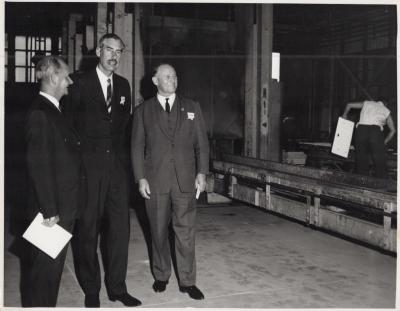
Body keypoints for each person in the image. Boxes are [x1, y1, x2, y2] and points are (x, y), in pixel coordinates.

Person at [64, 33, 141, 307]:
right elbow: (68, 127)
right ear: (98, 51)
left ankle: (118, 288)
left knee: (120, 230)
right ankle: (92, 289)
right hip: (88, 169)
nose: (114, 56)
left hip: (117, 171)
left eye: (119, 52)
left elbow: (124, 129)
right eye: (109, 50)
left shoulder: (123, 86)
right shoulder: (79, 83)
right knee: (88, 230)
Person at [131, 63, 209, 300]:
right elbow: (136, 146)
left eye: (175, 76)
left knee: (185, 232)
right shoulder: (143, 110)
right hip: (155, 181)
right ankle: (161, 275)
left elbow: (201, 144)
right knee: (157, 230)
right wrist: (140, 177)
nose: (172, 80)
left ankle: (187, 281)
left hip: (185, 180)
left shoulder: (192, 107)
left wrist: (202, 173)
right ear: (155, 81)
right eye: (167, 76)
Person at [25, 55, 84, 307]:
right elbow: (39, 166)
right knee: (44, 278)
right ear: (52, 77)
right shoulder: (40, 113)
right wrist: (49, 211)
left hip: (61, 207)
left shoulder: (53, 109)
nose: (69, 81)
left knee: (50, 275)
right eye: (66, 76)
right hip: (51, 213)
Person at [342, 99, 396, 178]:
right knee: (379, 162)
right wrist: (384, 142)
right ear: (385, 104)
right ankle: (381, 185)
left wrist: (345, 115)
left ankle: (362, 183)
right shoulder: (386, 110)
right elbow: (393, 130)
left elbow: (349, 104)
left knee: (361, 161)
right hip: (375, 132)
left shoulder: (367, 103)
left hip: (361, 131)